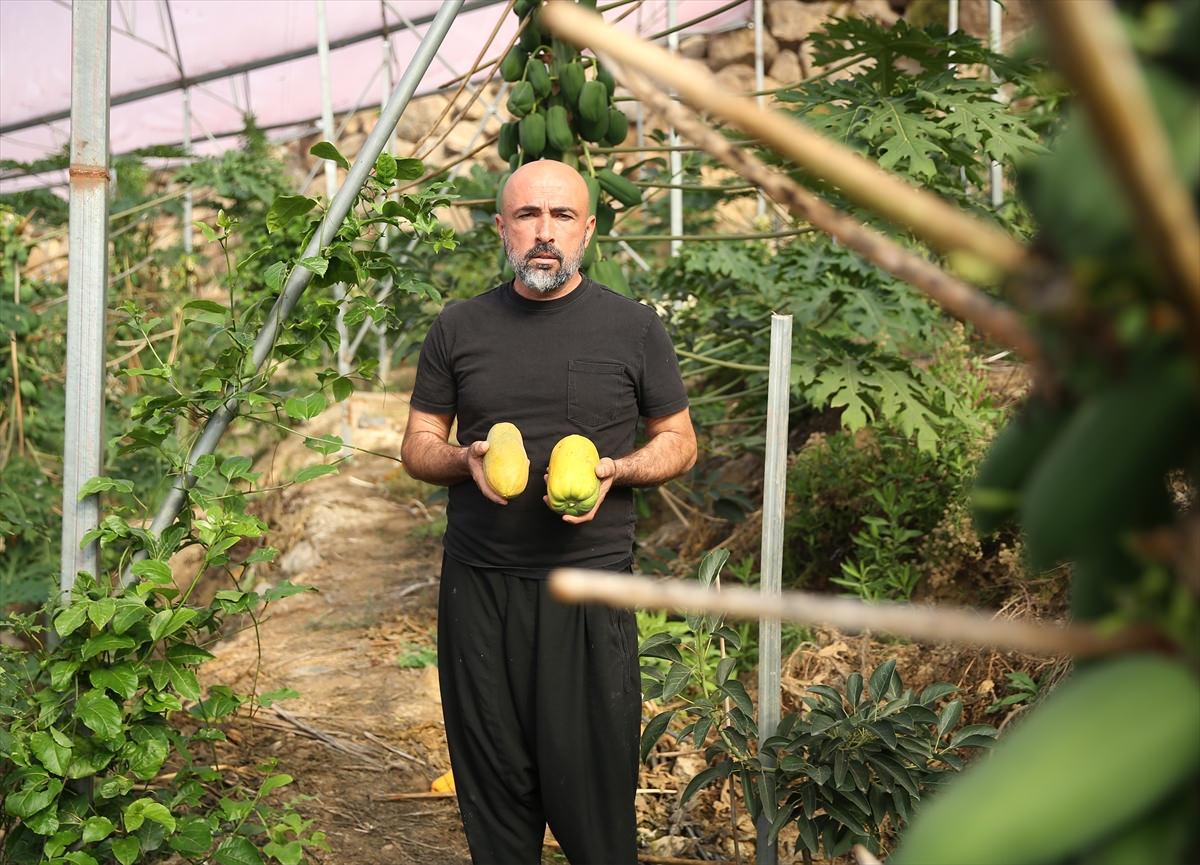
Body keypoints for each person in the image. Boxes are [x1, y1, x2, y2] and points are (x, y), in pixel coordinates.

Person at [400, 158, 697, 864]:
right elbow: (417, 444)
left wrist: (619, 470)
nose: (544, 231)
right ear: (500, 227)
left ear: (587, 229)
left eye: (561, 215)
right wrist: (463, 460)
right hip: (479, 588)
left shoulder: (633, 327)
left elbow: (679, 441)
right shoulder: (459, 325)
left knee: (593, 799)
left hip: (587, 588)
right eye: (527, 214)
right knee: (495, 795)